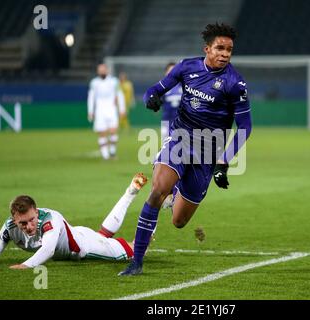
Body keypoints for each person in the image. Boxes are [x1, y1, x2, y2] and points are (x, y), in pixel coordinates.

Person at [119, 23, 252, 276]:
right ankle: (136, 262)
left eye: (229, 50)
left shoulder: (235, 83)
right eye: (220, 48)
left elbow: (245, 126)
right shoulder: (186, 67)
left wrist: (223, 163)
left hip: (209, 152)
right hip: (180, 139)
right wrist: (151, 98)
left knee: (179, 221)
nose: (225, 54)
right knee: (157, 190)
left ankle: (177, 187)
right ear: (207, 48)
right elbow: (154, 90)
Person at [0, 173, 148, 269]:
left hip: (83, 247)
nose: (29, 226)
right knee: (102, 235)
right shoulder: (9, 228)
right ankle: (131, 192)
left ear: (37, 212)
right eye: (23, 223)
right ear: (14, 221)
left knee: (134, 251)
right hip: (76, 233)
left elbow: (48, 250)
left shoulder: (50, 220)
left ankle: (151, 218)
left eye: (32, 220)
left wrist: (25, 265)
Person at [88, 64, 126, 160]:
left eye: (103, 70)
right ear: (98, 71)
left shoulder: (114, 81)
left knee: (113, 131)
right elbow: (91, 97)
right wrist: (90, 111)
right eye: (100, 70)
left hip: (111, 110)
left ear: (107, 70)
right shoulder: (94, 83)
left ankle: (112, 152)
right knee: (102, 133)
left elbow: (119, 95)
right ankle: (105, 155)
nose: (102, 71)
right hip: (100, 111)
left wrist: (122, 109)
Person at [161, 62, 183, 142]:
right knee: (166, 146)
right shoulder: (162, 87)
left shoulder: (185, 86)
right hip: (166, 121)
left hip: (181, 123)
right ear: (166, 73)